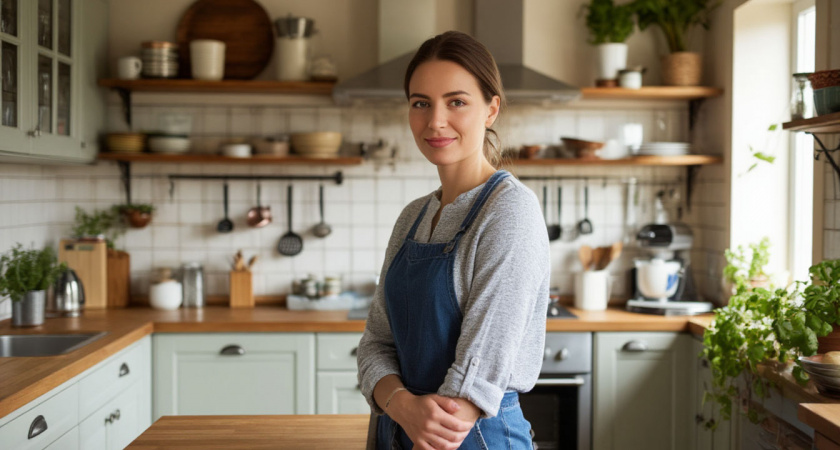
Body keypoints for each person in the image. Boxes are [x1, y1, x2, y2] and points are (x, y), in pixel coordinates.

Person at [356, 30, 550, 450]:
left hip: (474, 437)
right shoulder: (412, 216)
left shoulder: (510, 210)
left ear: (491, 109)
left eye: (456, 102)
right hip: (399, 432)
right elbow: (374, 344)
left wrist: (412, 414)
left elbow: (477, 376)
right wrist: (403, 407)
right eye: (420, 103)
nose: (435, 121)